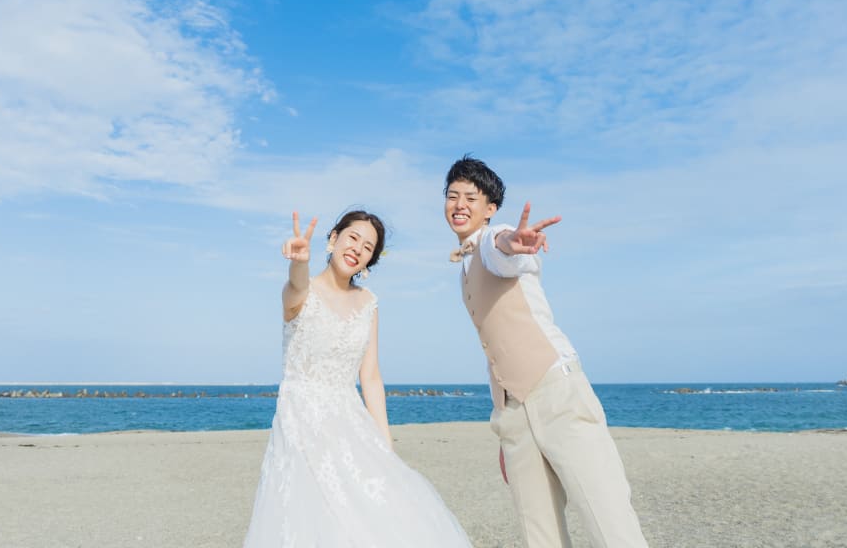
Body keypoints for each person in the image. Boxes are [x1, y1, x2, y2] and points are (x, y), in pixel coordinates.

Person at [444, 155, 649, 548]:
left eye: (471, 196)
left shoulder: (494, 239)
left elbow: (503, 249)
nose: (459, 204)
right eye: (452, 195)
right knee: (540, 535)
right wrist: (507, 424)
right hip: (514, 415)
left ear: (490, 209)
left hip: (557, 392)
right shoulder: (464, 270)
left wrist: (514, 243)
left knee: (609, 521)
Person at [243, 208, 473, 548]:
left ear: (370, 261)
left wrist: (385, 443)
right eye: (353, 238)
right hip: (300, 424)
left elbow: (371, 377)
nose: (358, 249)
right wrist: (299, 262)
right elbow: (293, 288)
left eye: (368, 248)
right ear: (333, 238)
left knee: (378, 514)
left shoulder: (369, 303)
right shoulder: (302, 291)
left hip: (350, 423)